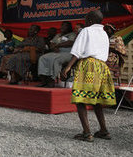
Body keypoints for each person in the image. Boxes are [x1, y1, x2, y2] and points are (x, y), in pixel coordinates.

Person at [62, 10, 116, 142]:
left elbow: (77, 50)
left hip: (88, 66)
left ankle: (87, 133)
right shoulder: (104, 33)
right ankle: (104, 130)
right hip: (102, 67)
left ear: (90, 21)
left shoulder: (86, 31)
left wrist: (68, 66)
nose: (85, 22)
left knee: (80, 100)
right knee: (96, 100)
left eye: (86, 19)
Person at [37, 21, 77, 88]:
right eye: (62, 25)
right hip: (57, 52)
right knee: (43, 58)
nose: (62, 27)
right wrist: (54, 47)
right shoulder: (58, 35)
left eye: (65, 26)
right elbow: (52, 43)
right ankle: (44, 80)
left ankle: (52, 80)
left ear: (69, 27)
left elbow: (70, 43)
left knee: (55, 59)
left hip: (68, 54)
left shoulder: (72, 34)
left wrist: (57, 45)